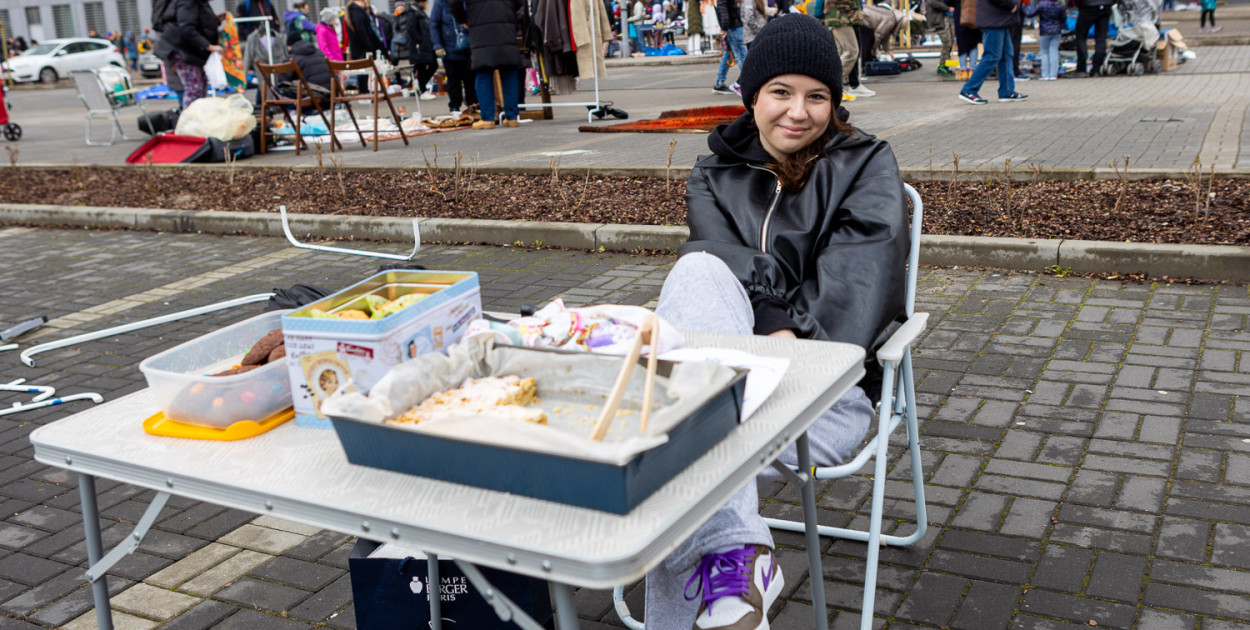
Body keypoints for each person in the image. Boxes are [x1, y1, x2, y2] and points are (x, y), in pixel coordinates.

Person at [646, 14, 908, 630]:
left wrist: (782, 337)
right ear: (752, 96)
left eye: (817, 96)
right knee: (696, 271)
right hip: (731, 382)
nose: (798, 112)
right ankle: (735, 576)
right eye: (781, 92)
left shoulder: (864, 164)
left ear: (834, 103)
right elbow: (716, 263)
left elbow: (857, 287)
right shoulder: (713, 173)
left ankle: (725, 571)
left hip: (827, 389)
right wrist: (768, 318)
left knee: (664, 452)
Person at [450, 0, 524, 129]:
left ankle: (487, 118)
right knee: (509, 70)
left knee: (483, 71)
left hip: (479, 23)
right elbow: (519, 2)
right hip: (504, 20)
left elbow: (454, 3)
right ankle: (512, 117)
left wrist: (463, 19)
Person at [154, 0, 223, 108]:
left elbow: (197, 22)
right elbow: (187, 29)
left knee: (199, 88)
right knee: (194, 89)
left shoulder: (196, 3)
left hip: (189, 51)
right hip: (184, 51)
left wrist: (216, 20)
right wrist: (209, 46)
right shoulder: (188, 2)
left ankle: (197, 116)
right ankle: (190, 117)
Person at [956, 0, 1025, 104]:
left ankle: (1007, 91)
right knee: (992, 56)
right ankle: (969, 90)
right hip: (994, 19)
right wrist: (1011, 5)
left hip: (999, 19)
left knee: (1006, 55)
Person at [429, 0, 478, 115]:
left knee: (470, 79)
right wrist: (437, 45)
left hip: (469, 47)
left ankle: (473, 105)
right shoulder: (440, 2)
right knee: (453, 80)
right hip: (449, 48)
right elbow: (434, 24)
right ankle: (455, 107)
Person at [825, 0, 873, 98]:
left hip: (841, 18)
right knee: (851, 52)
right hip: (842, 18)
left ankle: (837, 87)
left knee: (841, 52)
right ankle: (833, 84)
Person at [712, 0, 746, 95]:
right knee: (741, 55)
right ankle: (748, 83)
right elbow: (722, 9)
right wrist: (724, 27)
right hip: (734, 25)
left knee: (729, 54)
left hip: (733, 25)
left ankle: (719, 83)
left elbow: (722, 8)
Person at [407, 0, 439, 98]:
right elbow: (411, 29)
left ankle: (420, 86)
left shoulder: (419, 12)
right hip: (419, 46)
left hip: (425, 45)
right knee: (422, 68)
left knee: (432, 65)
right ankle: (423, 90)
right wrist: (419, 40)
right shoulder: (414, 12)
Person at [1025, 0, 1063, 79]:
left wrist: (1023, 6)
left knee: (1044, 52)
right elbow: (1064, 18)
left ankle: (1045, 75)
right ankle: (1053, 74)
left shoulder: (1042, 4)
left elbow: (1030, 14)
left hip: (1044, 31)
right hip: (1056, 30)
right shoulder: (1059, 4)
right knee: (1054, 51)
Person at [1071, 0, 1111, 76]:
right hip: (1106, 5)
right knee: (1101, 38)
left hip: (1087, 6)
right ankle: (1097, 69)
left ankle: (1081, 68)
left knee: (1081, 36)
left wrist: (1080, 5)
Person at [950, 0, 979, 78]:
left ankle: (963, 71)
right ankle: (972, 70)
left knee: (961, 43)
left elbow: (948, 2)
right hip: (974, 15)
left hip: (960, 16)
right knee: (973, 43)